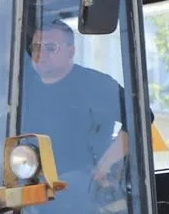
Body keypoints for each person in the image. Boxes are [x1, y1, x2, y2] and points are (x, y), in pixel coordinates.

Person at [18, 19, 132, 195]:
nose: (41, 54)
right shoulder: (21, 89)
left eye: (50, 48)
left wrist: (106, 164)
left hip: (84, 187)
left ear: (71, 51)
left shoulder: (95, 85)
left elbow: (141, 119)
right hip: (29, 183)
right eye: (35, 48)